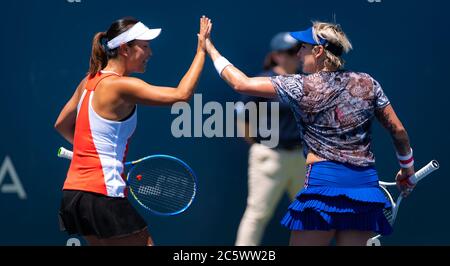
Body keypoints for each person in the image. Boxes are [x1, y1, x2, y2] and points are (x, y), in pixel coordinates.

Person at [205, 21, 415, 246]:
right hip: (363, 188)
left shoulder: (300, 86)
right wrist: (407, 169)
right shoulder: (369, 83)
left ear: (318, 51)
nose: (298, 53)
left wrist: (210, 48)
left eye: (303, 47)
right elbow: (399, 132)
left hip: (323, 184)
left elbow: (240, 83)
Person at [54, 16, 212, 246]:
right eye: (145, 47)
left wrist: (91, 155)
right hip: (102, 194)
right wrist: (201, 51)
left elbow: (61, 124)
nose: (150, 53)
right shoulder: (121, 86)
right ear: (125, 49)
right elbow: (181, 95)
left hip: (75, 194)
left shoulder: (88, 82)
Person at [234, 32, 306, 246]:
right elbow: (242, 119)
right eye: (291, 52)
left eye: (299, 51)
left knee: (309, 215)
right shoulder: (261, 82)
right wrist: (258, 145)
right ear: (276, 56)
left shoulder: (306, 82)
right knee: (257, 215)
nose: (296, 56)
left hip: (302, 158)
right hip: (270, 157)